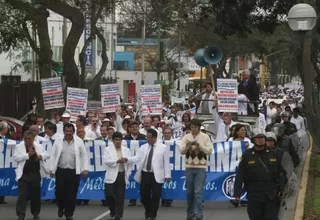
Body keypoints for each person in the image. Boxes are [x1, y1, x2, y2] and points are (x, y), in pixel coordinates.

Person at [233, 133, 287, 220]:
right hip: (254, 193)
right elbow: (240, 174)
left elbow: (281, 173)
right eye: (258, 138)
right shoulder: (247, 155)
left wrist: (282, 189)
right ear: (253, 140)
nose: (261, 140)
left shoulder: (274, 153)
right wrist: (237, 192)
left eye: (262, 138)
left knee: (271, 217)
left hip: (271, 194)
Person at [49, 123, 89, 220]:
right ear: (64, 132)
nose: (68, 133)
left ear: (73, 132)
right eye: (66, 131)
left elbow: (84, 156)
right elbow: (53, 155)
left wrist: (85, 169)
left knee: (72, 193)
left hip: (73, 171)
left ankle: (69, 213)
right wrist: (51, 169)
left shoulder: (79, 142)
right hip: (61, 171)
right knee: (59, 191)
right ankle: (61, 206)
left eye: (70, 131)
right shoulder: (58, 141)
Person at [134, 128, 171, 220]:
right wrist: (127, 159)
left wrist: (167, 175)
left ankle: (152, 214)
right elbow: (137, 158)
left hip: (157, 175)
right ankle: (148, 209)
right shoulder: (143, 147)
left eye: (150, 137)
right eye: (147, 137)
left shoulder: (163, 148)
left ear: (155, 137)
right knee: (143, 195)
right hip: (145, 173)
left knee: (156, 196)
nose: (147, 139)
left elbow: (166, 162)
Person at [180, 119, 212, 220]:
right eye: (191, 127)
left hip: (201, 168)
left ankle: (199, 214)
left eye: (195, 127)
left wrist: (200, 146)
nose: (193, 129)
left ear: (199, 127)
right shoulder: (186, 137)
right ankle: (190, 213)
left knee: (198, 192)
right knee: (189, 192)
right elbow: (181, 151)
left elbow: (209, 151)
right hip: (189, 167)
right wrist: (188, 145)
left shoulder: (205, 137)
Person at [13, 130, 50, 220]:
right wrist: (27, 155)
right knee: (23, 195)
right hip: (24, 174)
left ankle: (35, 212)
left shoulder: (38, 146)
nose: (27, 141)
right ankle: (21, 214)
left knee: (35, 195)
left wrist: (41, 156)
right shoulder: (19, 147)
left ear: (33, 139)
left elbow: (47, 154)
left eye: (29, 139)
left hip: (35, 174)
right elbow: (15, 157)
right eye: (25, 139)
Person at [104, 132, 139, 220]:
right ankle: (112, 209)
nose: (118, 141)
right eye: (116, 139)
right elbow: (106, 161)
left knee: (120, 196)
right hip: (111, 174)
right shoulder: (108, 149)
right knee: (109, 195)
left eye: (120, 140)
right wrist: (117, 161)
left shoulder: (126, 150)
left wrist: (127, 161)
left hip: (122, 174)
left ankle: (118, 214)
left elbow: (130, 161)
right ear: (113, 140)